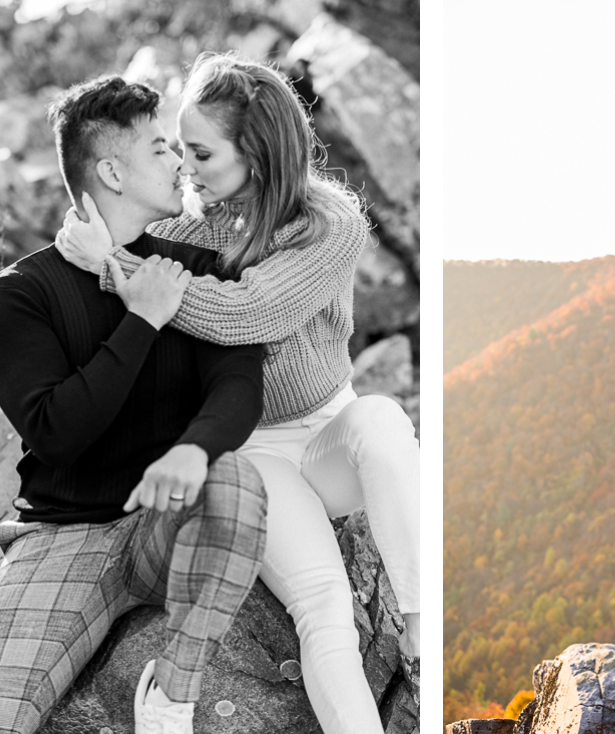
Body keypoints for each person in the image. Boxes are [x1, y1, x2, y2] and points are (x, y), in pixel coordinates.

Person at [56, 53, 420, 734]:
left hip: (329, 438)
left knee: (383, 420)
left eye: (200, 152)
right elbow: (110, 249)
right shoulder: (189, 227)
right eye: (178, 148)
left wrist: (117, 268)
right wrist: (97, 250)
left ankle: (425, 641)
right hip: (253, 457)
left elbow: (248, 314)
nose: (185, 168)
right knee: (324, 608)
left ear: (254, 151)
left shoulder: (331, 224)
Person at [0, 77, 269, 734]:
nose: (181, 163)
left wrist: (192, 450)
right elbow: (58, 432)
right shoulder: (21, 294)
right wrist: (142, 318)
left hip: (169, 526)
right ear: (112, 171)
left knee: (232, 478)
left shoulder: (201, 266)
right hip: (65, 539)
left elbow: (239, 385)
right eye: (158, 150)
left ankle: (171, 699)